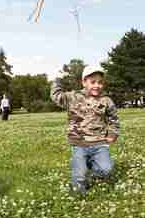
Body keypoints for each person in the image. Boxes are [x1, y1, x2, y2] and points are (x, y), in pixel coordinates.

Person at [51, 65, 120, 195]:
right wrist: (57, 80)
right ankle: (79, 196)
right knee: (79, 176)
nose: (97, 85)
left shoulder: (106, 101)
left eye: (100, 82)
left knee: (107, 169)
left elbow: (114, 119)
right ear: (84, 82)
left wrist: (113, 133)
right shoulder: (73, 97)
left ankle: (93, 171)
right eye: (93, 82)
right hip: (79, 144)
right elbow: (56, 96)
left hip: (100, 143)